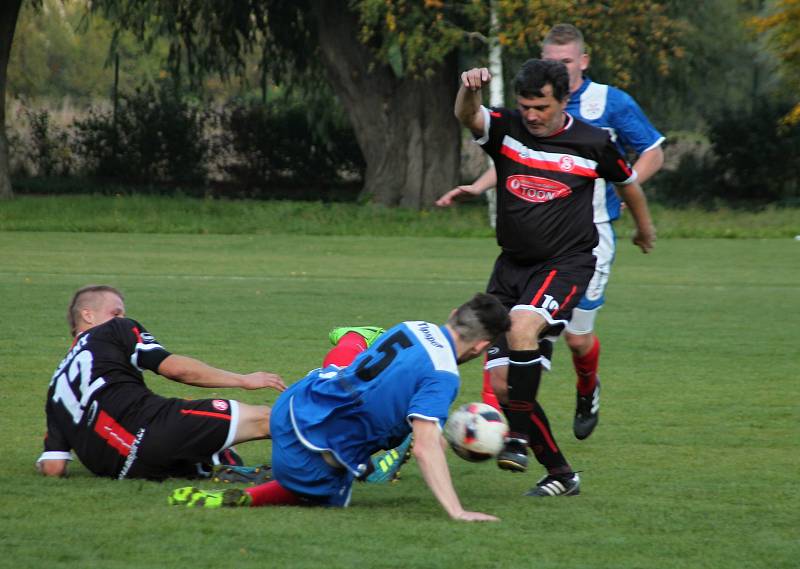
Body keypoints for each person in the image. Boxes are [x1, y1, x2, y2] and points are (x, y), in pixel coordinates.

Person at [437, 58, 652, 496]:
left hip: (566, 263)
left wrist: (644, 229)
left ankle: (515, 437)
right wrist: (469, 88)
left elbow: (629, 184)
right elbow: (465, 114)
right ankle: (561, 474)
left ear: (564, 100)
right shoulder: (506, 127)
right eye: (526, 106)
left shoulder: (594, 142)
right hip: (511, 267)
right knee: (500, 380)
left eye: (541, 107)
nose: (532, 115)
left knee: (521, 325)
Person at [168, 293, 511, 521]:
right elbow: (425, 447)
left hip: (295, 402)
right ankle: (248, 497)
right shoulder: (444, 376)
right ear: (481, 346)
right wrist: (456, 510)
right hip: (313, 444)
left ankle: (353, 337)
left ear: (453, 315)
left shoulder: (413, 325)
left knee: (345, 373)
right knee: (323, 494)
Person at [37, 285, 287, 480]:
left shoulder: (56, 386)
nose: (122, 316)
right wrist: (243, 379)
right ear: (88, 315)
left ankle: (220, 468)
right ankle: (321, 466)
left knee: (217, 449)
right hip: (152, 429)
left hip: (124, 470)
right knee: (268, 418)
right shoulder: (114, 329)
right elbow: (175, 369)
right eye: (116, 312)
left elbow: (53, 467)